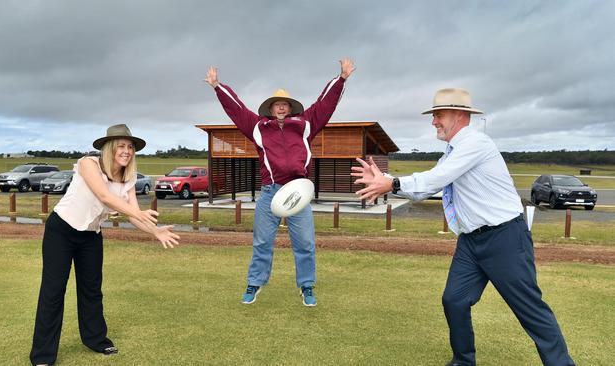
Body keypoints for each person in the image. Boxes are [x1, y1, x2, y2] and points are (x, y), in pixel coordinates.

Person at [351, 88, 574, 366]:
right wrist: (386, 178)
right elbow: (428, 186)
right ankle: (463, 361)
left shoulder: (476, 144)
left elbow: (437, 178)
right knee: (454, 300)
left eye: (438, 115)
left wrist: (392, 183)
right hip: (471, 242)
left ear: (459, 115)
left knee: (529, 309)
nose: (434, 121)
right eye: (434, 116)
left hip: (504, 238)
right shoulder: (452, 152)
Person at [204, 59, 355, 306]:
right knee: (262, 241)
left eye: (285, 104)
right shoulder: (258, 127)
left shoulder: (305, 124)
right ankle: (255, 283)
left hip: (298, 191)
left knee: (305, 243)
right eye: (277, 105)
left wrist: (341, 79)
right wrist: (218, 87)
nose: (281, 108)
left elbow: (325, 105)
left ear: (291, 108)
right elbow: (237, 109)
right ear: (271, 109)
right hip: (270, 192)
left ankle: (306, 287)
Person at [30, 124, 180, 366]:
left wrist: (155, 231)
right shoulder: (88, 163)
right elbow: (104, 196)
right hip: (62, 230)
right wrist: (139, 213)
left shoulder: (128, 177)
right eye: (121, 146)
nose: (127, 151)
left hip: (91, 235)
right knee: (53, 291)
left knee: (92, 289)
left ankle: (95, 339)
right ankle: (43, 356)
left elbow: (131, 214)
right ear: (109, 148)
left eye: (130, 147)